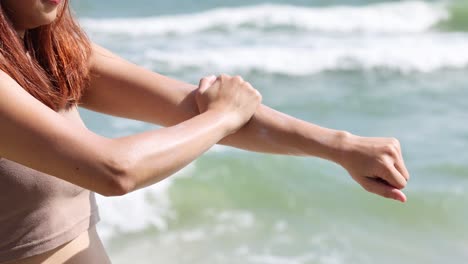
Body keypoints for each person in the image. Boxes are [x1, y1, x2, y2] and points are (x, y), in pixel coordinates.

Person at [0, 0, 410, 263]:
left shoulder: (43, 46)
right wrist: (221, 118)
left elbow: (189, 104)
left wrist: (342, 147)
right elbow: (112, 170)